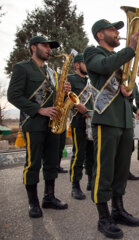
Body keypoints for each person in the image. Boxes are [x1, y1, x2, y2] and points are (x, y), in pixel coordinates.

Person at [83, 19, 139, 239]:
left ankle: (118, 209)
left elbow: (128, 85)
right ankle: (103, 217)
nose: (118, 33)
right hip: (106, 119)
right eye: (112, 30)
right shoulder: (92, 53)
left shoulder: (121, 57)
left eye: (118, 30)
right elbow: (106, 67)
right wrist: (131, 49)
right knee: (104, 170)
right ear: (100, 35)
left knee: (120, 170)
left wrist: (130, 92)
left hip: (125, 120)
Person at [7, 36, 70, 218]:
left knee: (52, 162)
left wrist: (65, 92)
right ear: (33, 47)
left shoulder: (53, 73)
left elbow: (57, 98)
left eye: (50, 47)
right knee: (33, 163)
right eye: (45, 45)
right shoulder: (22, 67)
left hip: (53, 124)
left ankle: (49, 197)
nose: (49, 49)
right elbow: (13, 95)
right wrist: (39, 110)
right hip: (33, 122)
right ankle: (33, 202)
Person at [67, 53, 94, 200]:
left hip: (91, 121)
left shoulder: (90, 82)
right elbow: (66, 96)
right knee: (79, 154)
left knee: (92, 153)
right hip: (78, 121)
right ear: (77, 65)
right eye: (85, 62)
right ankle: (75, 186)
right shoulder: (70, 79)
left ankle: (90, 180)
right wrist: (77, 105)